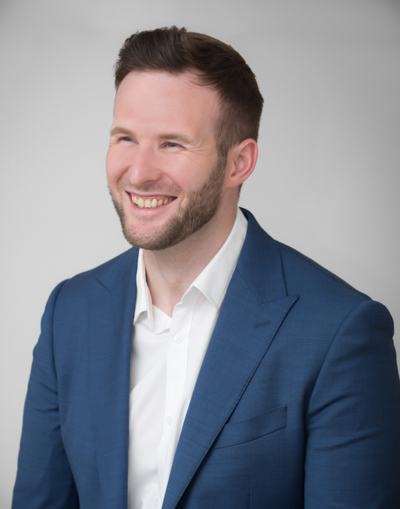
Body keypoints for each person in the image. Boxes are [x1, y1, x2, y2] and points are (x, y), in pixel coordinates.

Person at [13, 26, 400, 509]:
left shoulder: (340, 332)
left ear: (239, 163)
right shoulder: (69, 312)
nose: (138, 173)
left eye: (172, 144)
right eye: (126, 137)